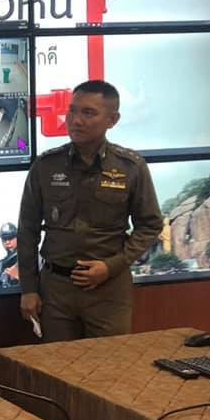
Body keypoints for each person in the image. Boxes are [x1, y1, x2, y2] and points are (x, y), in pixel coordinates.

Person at [17, 80, 163, 342]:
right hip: (56, 289)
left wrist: (112, 266)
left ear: (112, 120)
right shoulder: (46, 165)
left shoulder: (130, 167)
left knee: (109, 363)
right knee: (58, 363)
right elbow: (27, 230)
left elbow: (150, 224)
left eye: (88, 113)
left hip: (108, 289)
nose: (76, 120)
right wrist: (28, 288)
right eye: (72, 110)